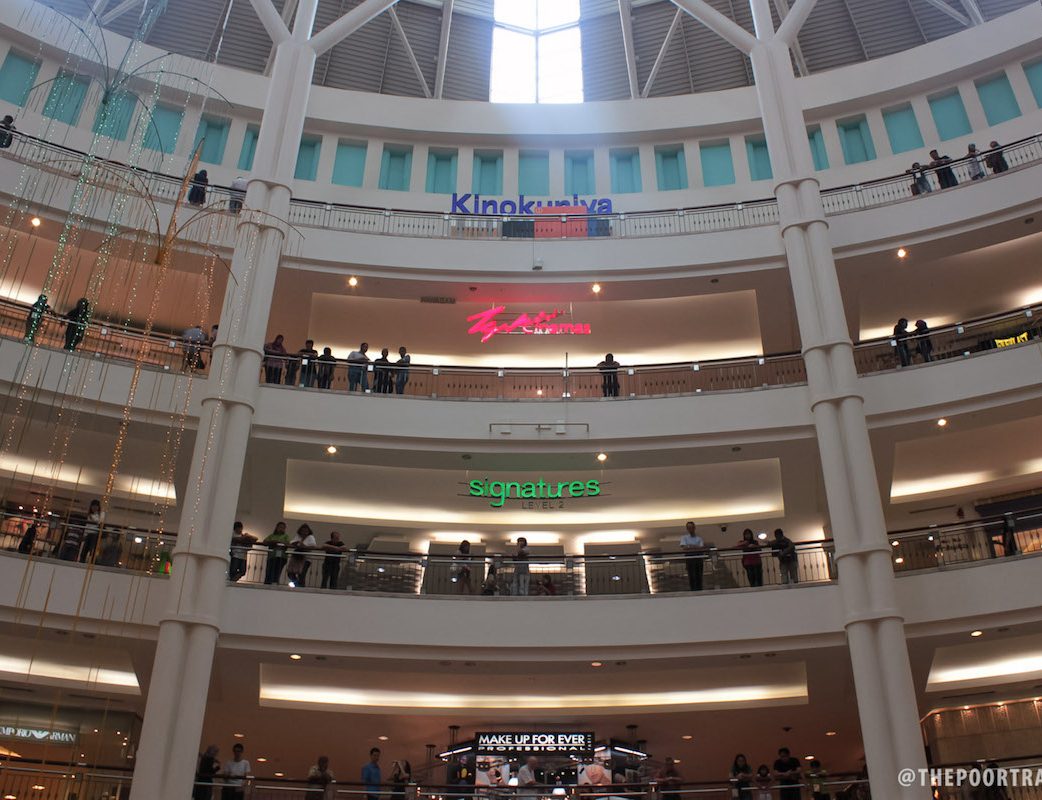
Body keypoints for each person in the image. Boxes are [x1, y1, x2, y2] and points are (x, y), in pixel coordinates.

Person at [286, 523, 317, 587]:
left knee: (302, 574)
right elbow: (292, 542)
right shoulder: (298, 536)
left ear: (308, 531)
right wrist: (296, 543)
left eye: (306, 531)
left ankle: (301, 586)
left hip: (305, 557)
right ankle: (297, 584)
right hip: (296, 556)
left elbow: (313, 546)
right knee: (290, 572)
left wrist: (304, 546)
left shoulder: (310, 537)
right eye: (303, 531)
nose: (304, 532)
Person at [680, 521, 707, 591]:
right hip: (689, 559)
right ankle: (693, 590)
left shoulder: (699, 538)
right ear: (687, 529)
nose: (690, 529)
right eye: (689, 528)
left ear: (694, 528)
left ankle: (699, 590)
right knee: (691, 575)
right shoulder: (684, 537)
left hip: (698, 558)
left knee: (699, 575)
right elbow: (684, 548)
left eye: (692, 527)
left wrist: (689, 546)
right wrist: (695, 547)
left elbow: (701, 548)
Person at [80, 499, 104, 563]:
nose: (94, 508)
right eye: (93, 506)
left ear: (98, 507)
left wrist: (92, 518)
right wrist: (84, 534)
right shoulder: (89, 515)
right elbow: (87, 526)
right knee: (84, 549)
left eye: (96, 506)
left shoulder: (101, 514)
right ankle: (82, 561)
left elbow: (99, 522)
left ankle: (92, 562)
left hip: (95, 534)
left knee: (92, 550)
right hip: (88, 534)